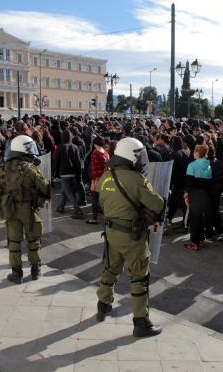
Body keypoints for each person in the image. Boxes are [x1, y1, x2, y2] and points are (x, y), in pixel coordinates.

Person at [95, 137, 165, 337]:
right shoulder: (137, 180)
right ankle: (140, 322)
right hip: (132, 236)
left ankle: (103, 305)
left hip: (111, 232)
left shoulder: (105, 177)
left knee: (111, 268)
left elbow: (103, 202)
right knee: (139, 278)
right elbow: (157, 205)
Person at [0, 135, 50, 284]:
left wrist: (2, 207)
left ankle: (16, 273)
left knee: (13, 242)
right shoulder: (31, 169)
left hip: (10, 209)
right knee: (33, 239)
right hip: (29, 209)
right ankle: (35, 269)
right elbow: (45, 187)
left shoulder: (1, 168)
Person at [183, 144, 213, 250]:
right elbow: (209, 183)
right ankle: (200, 240)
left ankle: (194, 243)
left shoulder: (192, 165)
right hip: (204, 195)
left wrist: (186, 194)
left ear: (197, 153)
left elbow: (189, 182)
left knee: (194, 218)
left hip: (194, 194)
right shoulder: (209, 166)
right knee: (200, 218)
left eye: (194, 152)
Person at [87, 136, 109, 224]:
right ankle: (107, 217)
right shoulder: (105, 152)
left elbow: (94, 169)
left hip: (97, 179)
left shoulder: (95, 153)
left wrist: (92, 181)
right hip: (106, 178)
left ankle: (94, 218)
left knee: (94, 199)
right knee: (104, 199)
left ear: (95, 143)